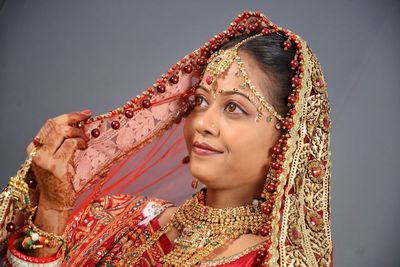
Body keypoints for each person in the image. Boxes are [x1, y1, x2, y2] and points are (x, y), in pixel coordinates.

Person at [0, 11, 333, 266]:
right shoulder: (119, 217)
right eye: (200, 101)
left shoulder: (269, 261)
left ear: (288, 138)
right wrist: (53, 209)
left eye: (234, 108)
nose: (202, 122)